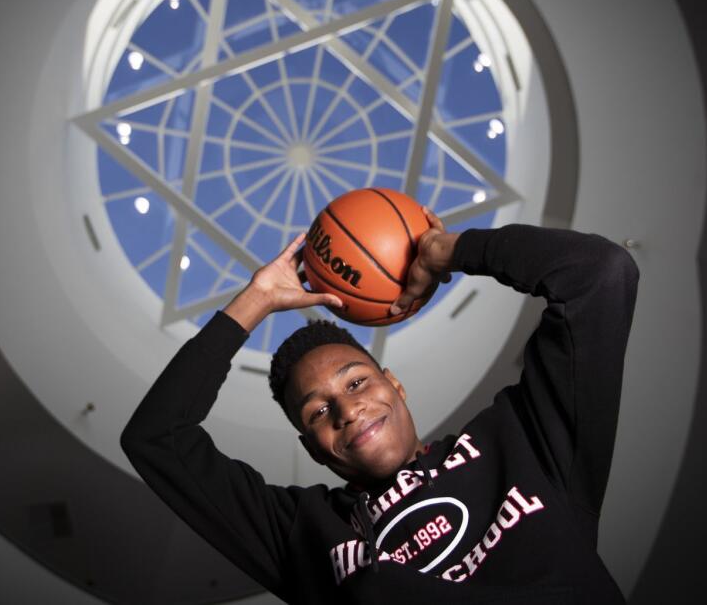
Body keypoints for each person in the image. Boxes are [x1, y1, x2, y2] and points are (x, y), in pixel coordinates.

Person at [121, 209, 640, 604]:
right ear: (314, 450)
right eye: (318, 413)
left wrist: (451, 250)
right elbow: (156, 438)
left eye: (356, 383)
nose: (346, 411)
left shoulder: (521, 439)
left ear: (395, 384)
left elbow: (599, 274)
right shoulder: (303, 531)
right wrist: (256, 299)